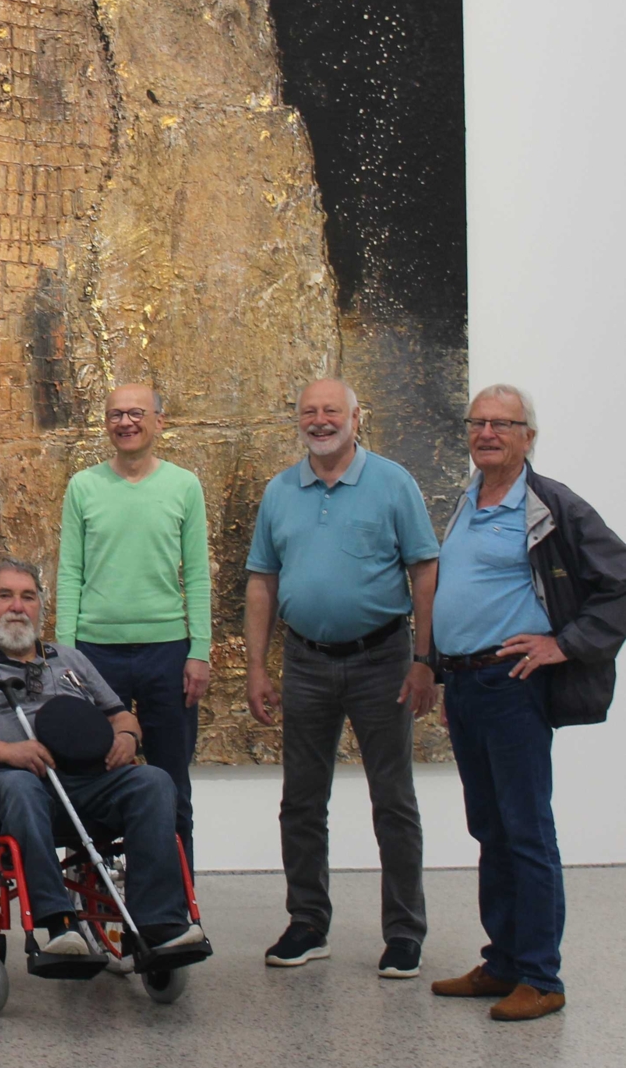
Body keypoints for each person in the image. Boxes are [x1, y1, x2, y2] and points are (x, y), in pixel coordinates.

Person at [427, 385, 626, 1022]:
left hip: (512, 687)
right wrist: (440, 671)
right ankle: (504, 962)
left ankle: (542, 977)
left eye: (502, 424)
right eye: (478, 423)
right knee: (490, 830)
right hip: (466, 686)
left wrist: (563, 644)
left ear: (527, 436)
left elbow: (618, 584)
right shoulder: (469, 500)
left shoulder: (552, 506)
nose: (487, 433)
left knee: (526, 831)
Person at [243, 379, 439, 977]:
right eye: (309, 412)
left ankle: (404, 933)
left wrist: (426, 659)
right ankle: (307, 924)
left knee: (393, 801)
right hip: (305, 662)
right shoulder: (280, 491)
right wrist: (256, 665)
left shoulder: (393, 482)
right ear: (297, 421)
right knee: (301, 801)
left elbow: (426, 571)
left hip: (382, 659)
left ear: (357, 416)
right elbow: (261, 582)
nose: (320, 420)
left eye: (332, 411)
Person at [0, 560, 206, 960]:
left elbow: (121, 714)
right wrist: (9, 752)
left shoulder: (71, 660)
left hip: (86, 783)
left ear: (41, 607)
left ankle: (159, 924)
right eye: (5, 596)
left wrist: (126, 735)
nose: (17, 606)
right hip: (8, 785)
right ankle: (59, 924)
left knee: (155, 781)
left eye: (28, 597)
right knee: (22, 787)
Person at [54, 383, 212, 862]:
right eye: (115, 414)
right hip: (94, 655)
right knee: (91, 779)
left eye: (136, 413)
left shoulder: (184, 486)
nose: (125, 422)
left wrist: (199, 650)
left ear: (158, 422)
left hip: (168, 652)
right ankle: (98, 904)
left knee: (171, 781)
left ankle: (178, 907)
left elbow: (199, 574)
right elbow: (70, 573)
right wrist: (66, 656)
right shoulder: (83, 486)